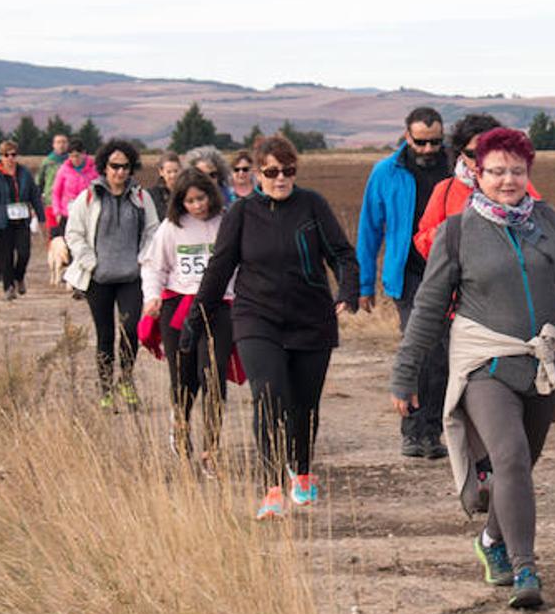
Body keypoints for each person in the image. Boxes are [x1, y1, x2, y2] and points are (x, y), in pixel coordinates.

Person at [392, 128, 555, 610]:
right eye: (497, 171)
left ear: (529, 174)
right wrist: (405, 373)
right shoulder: (458, 232)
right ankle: (525, 567)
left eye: (517, 171)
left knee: (521, 464)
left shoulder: (547, 220)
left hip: (543, 362)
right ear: (476, 174)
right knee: (507, 456)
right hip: (486, 362)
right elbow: (427, 307)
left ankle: (491, 540)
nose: (507, 180)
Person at [192, 135, 357, 517]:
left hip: (311, 317)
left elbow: (342, 255)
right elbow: (219, 268)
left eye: (288, 171)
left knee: (303, 403)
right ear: (257, 173)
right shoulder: (242, 213)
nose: (281, 178)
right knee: (269, 395)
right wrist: (196, 318)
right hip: (256, 316)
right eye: (271, 172)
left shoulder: (312, 205)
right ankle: (271, 488)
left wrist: (347, 290)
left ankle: (302, 472)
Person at [357, 107, 452, 459]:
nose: (429, 149)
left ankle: (436, 431)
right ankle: (414, 432)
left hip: (451, 274)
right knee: (421, 350)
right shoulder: (386, 172)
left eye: (436, 142)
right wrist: (364, 284)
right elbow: (369, 228)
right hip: (409, 275)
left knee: (444, 354)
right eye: (421, 142)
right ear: (407, 136)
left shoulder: (456, 170)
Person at [139, 168, 235, 471]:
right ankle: (180, 428)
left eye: (201, 198)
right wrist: (151, 297)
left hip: (219, 306)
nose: (197, 206)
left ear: (211, 195)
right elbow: (154, 267)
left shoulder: (226, 223)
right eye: (190, 201)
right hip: (178, 305)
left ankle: (211, 446)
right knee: (184, 376)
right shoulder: (171, 228)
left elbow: (240, 265)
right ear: (181, 202)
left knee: (214, 377)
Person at [64, 139, 160, 408]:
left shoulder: (141, 197)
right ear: (104, 167)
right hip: (99, 279)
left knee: (130, 331)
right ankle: (106, 390)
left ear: (131, 169)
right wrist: (89, 261)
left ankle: (126, 381)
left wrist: (143, 258)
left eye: (125, 167)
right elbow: (73, 232)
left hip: (131, 277)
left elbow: (154, 231)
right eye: (114, 166)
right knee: (105, 335)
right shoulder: (89, 197)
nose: (119, 172)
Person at [412, 113, 544, 260]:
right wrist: (452, 233)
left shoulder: (517, 187)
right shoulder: (445, 191)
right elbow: (423, 243)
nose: (481, 160)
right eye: (473, 154)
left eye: (487, 152)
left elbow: (543, 231)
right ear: (460, 154)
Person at [0, 141, 45, 299]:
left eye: (13, 154)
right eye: (6, 155)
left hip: (22, 220)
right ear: (1, 157)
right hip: (3, 221)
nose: (10, 158)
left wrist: (41, 217)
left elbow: (35, 196)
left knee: (24, 253)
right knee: (6, 256)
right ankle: (8, 287)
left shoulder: (25, 174)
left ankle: (19, 277)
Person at [50, 138, 97, 237]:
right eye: (71, 156)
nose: (74, 159)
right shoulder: (63, 169)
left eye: (77, 156)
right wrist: (57, 212)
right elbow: (56, 192)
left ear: (84, 153)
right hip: (67, 214)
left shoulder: (94, 170)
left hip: (87, 214)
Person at [38, 132, 71, 228]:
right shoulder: (47, 162)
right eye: (58, 142)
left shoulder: (72, 161)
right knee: (53, 233)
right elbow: (40, 182)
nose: (61, 145)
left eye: (64, 142)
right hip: (51, 202)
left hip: (68, 204)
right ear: (53, 145)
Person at [147, 151, 181, 219]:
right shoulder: (152, 194)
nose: (173, 175)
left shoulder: (187, 191)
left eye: (176, 171)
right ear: (161, 172)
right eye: (169, 172)